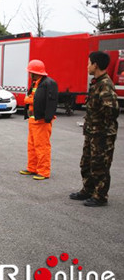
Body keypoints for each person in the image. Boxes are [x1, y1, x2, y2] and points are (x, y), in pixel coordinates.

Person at [69, 51, 120, 207]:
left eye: (88, 63)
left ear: (95, 64)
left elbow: (112, 110)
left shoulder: (105, 84)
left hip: (102, 135)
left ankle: (100, 196)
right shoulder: (97, 82)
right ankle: (88, 190)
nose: (87, 66)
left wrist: (101, 128)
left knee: (100, 165)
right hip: (92, 133)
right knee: (87, 163)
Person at [19, 60, 58, 180]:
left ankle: (43, 171)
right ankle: (32, 168)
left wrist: (28, 100)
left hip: (41, 121)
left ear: (34, 72)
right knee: (32, 146)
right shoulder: (37, 83)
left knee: (42, 146)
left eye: (30, 72)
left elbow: (40, 100)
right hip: (33, 119)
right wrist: (30, 99)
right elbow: (34, 97)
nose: (29, 74)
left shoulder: (48, 83)